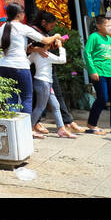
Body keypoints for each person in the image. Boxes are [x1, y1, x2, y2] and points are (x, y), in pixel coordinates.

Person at [0, 4, 59, 122]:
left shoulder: (2, 27)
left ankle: (13, 128)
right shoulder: (22, 27)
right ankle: (26, 129)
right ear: (19, 14)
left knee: (11, 99)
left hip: (3, 66)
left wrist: (31, 48)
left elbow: (11, 46)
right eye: (23, 13)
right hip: (19, 66)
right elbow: (45, 40)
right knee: (26, 98)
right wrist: (56, 36)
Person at [27, 11, 73, 139]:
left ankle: (61, 129)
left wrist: (33, 51)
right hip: (44, 83)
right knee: (40, 107)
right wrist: (60, 47)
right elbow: (62, 60)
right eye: (51, 26)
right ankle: (28, 129)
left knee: (55, 105)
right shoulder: (46, 55)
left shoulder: (39, 54)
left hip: (45, 82)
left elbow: (27, 61)